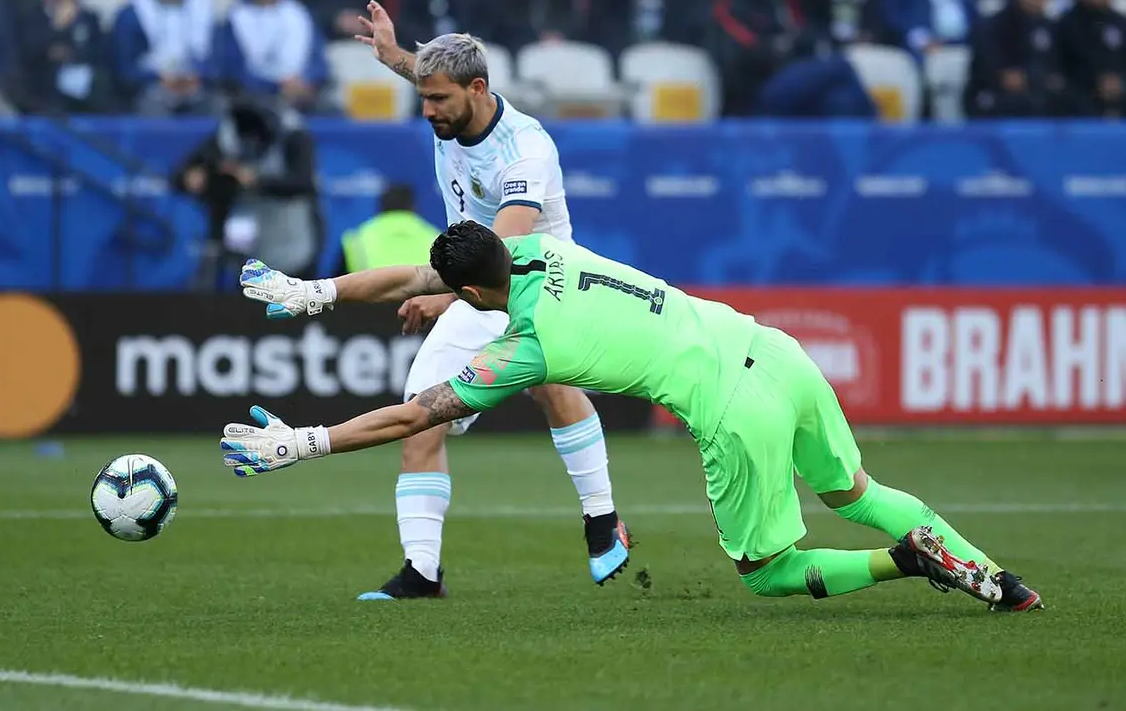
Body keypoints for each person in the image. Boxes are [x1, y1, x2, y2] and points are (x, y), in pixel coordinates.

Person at [221, 223, 1044, 612]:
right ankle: (999, 581)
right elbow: (417, 276)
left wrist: (304, 441)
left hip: (730, 409)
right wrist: (317, 293)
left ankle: (907, 563)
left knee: (766, 570)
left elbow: (412, 417)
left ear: (469, 297)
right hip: (771, 349)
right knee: (855, 489)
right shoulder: (543, 246)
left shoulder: (526, 351)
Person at [292, 1, 630, 601]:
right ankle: (422, 574)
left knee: (550, 385)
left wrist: (448, 301)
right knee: (420, 420)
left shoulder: (525, 150)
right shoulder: (449, 106)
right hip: (471, 285)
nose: (427, 112)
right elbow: (428, 79)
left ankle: (603, 523)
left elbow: (501, 260)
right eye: (422, 98)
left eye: (438, 100)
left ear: (477, 89)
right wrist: (395, 55)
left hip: (538, 285)